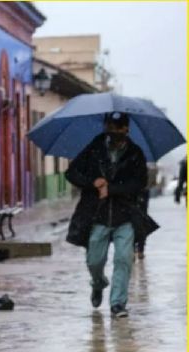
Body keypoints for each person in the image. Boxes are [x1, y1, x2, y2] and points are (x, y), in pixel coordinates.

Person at [65, 111, 153, 318]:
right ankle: (98, 283)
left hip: (126, 215)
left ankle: (118, 303)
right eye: (110, 128)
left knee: (123, 259)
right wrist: (93, 182)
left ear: (126, 129)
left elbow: (140, 182)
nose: (113, 132)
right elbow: (72, 173)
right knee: (94, 260)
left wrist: (112, 189)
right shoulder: (94, 148)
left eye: (118, 128)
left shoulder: (135, 153)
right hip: (98, 214)